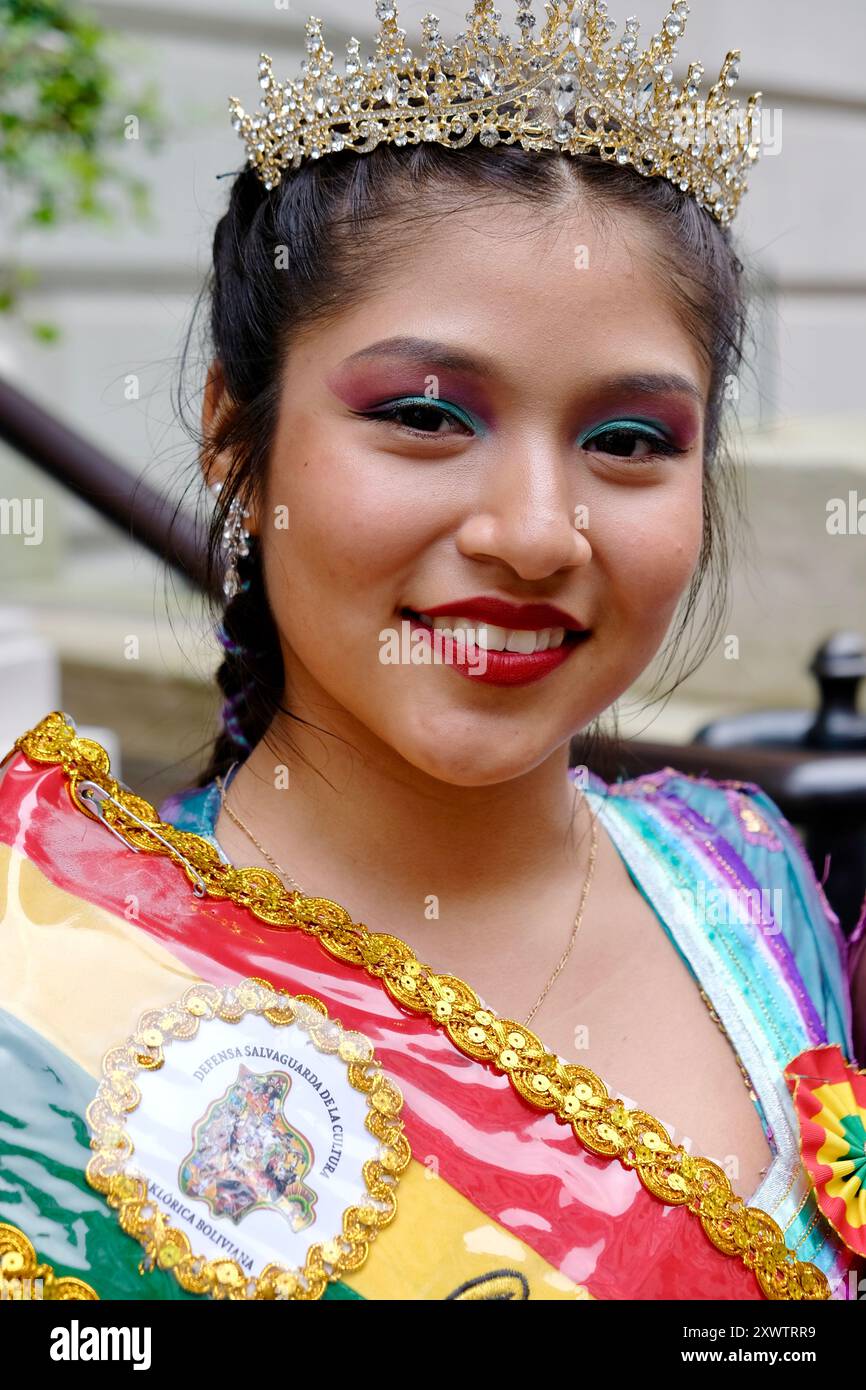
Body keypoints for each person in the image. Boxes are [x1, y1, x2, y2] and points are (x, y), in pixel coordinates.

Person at [1, 0, 864, 1303]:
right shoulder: (49, 977)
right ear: (236, 437)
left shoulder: (745, 878)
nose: (532, 533)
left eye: (628, 439)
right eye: (422, 414)